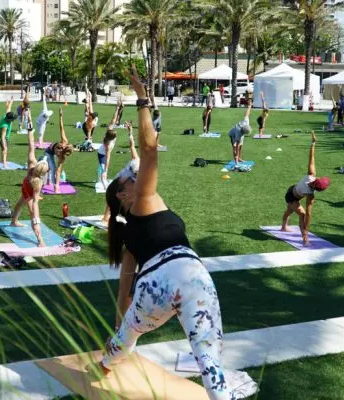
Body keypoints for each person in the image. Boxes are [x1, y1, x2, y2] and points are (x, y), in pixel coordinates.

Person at [97, 65, 258, 400]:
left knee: (126, 337)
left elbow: (125, 286)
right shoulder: (143, 200)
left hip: (153, 288)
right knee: (209, 361)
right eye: (129, 178)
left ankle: (106, 363)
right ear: (124, 196)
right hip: (190, 275)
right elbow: (150, 150)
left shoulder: (132, 228)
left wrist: (121, 325)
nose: (133, 175)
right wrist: (141, 99)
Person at [281, 132, 331, 246]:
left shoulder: (311, 175)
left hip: (292, 190)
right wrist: (306, 233)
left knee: (290, 210)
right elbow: (308, 214)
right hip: (291, 197)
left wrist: (313, 143)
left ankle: (284, 226)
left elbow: (311, 158)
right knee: (302, 214)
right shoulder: (310, 194)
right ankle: (304, 238)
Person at [10, 114, 50, 247]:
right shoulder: (38, 182)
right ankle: (40, 240)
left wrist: (30, 127)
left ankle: (14, 221)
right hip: (30, 194)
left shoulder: (31, 164)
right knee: (34, 215)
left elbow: (31, 145)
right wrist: (35, 215)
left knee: (19, 204)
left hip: (24, 186)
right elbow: (35, 203)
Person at [44, 107, 74, 193]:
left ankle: (53, 183)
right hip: (48, 152)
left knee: (54, 169)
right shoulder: (64, 141)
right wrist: (60, 116)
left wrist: (57, 185)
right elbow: (61, 128)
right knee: (52, 168)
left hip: (53, 153)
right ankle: (50, 182)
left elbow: (58, 171)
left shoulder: (61, 157)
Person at [97, 102, 122, 189]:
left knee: (103, 169)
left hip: (103, 152)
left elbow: (113, 120)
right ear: (112, 137)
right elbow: (107, 158)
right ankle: (104, 184)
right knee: (104, 170)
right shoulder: (108, 145)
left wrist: (117, 109)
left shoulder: (109, 131)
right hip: (101, 154)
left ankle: (103, 177)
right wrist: (106, 169)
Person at [229, 99, 253, 164]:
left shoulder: (246, 122)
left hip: (240, 131)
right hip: (232, 134)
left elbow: (247, 114)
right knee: (235, 147)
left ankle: (239, 158)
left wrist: (249, 106)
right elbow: (237, 146)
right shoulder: (239, 133)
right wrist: (237, 164)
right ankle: (236, 160)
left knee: (241, 146)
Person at [0, 97, 17, 169]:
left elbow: (9, 108)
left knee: (4, 148)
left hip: (4, 136)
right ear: (9, 119)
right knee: (5, 149)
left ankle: (2, 161)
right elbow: (2, 137)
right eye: (12, 119)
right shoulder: (4, 126)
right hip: (1, 137)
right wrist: (4, 145)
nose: (13, 120)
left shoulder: (6, 115)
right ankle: (4, 164)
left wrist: (11, 100)